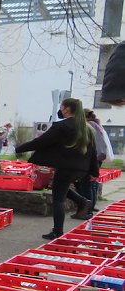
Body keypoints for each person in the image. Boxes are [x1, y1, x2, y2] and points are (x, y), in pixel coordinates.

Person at [15, 98, 97, 240]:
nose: (61, 110)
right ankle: (82, 202)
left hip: (66, 166)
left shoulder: (62, 126)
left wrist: (20, 148)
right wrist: (94, 171)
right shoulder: (87, 128)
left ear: (66, 109)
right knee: (61, 187)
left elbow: (42, 141)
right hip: (81, 169)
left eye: (62, 107)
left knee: (58, 199)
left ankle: (57, 231)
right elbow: (93, 151)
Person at [75, 109, 113, 215]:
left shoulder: (89, 126)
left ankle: (87, 211)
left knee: (86, 185)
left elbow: (91, 146)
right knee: (91, 184)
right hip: (96, 159)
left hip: (91, 159)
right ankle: (90, 209)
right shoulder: (96, 125)